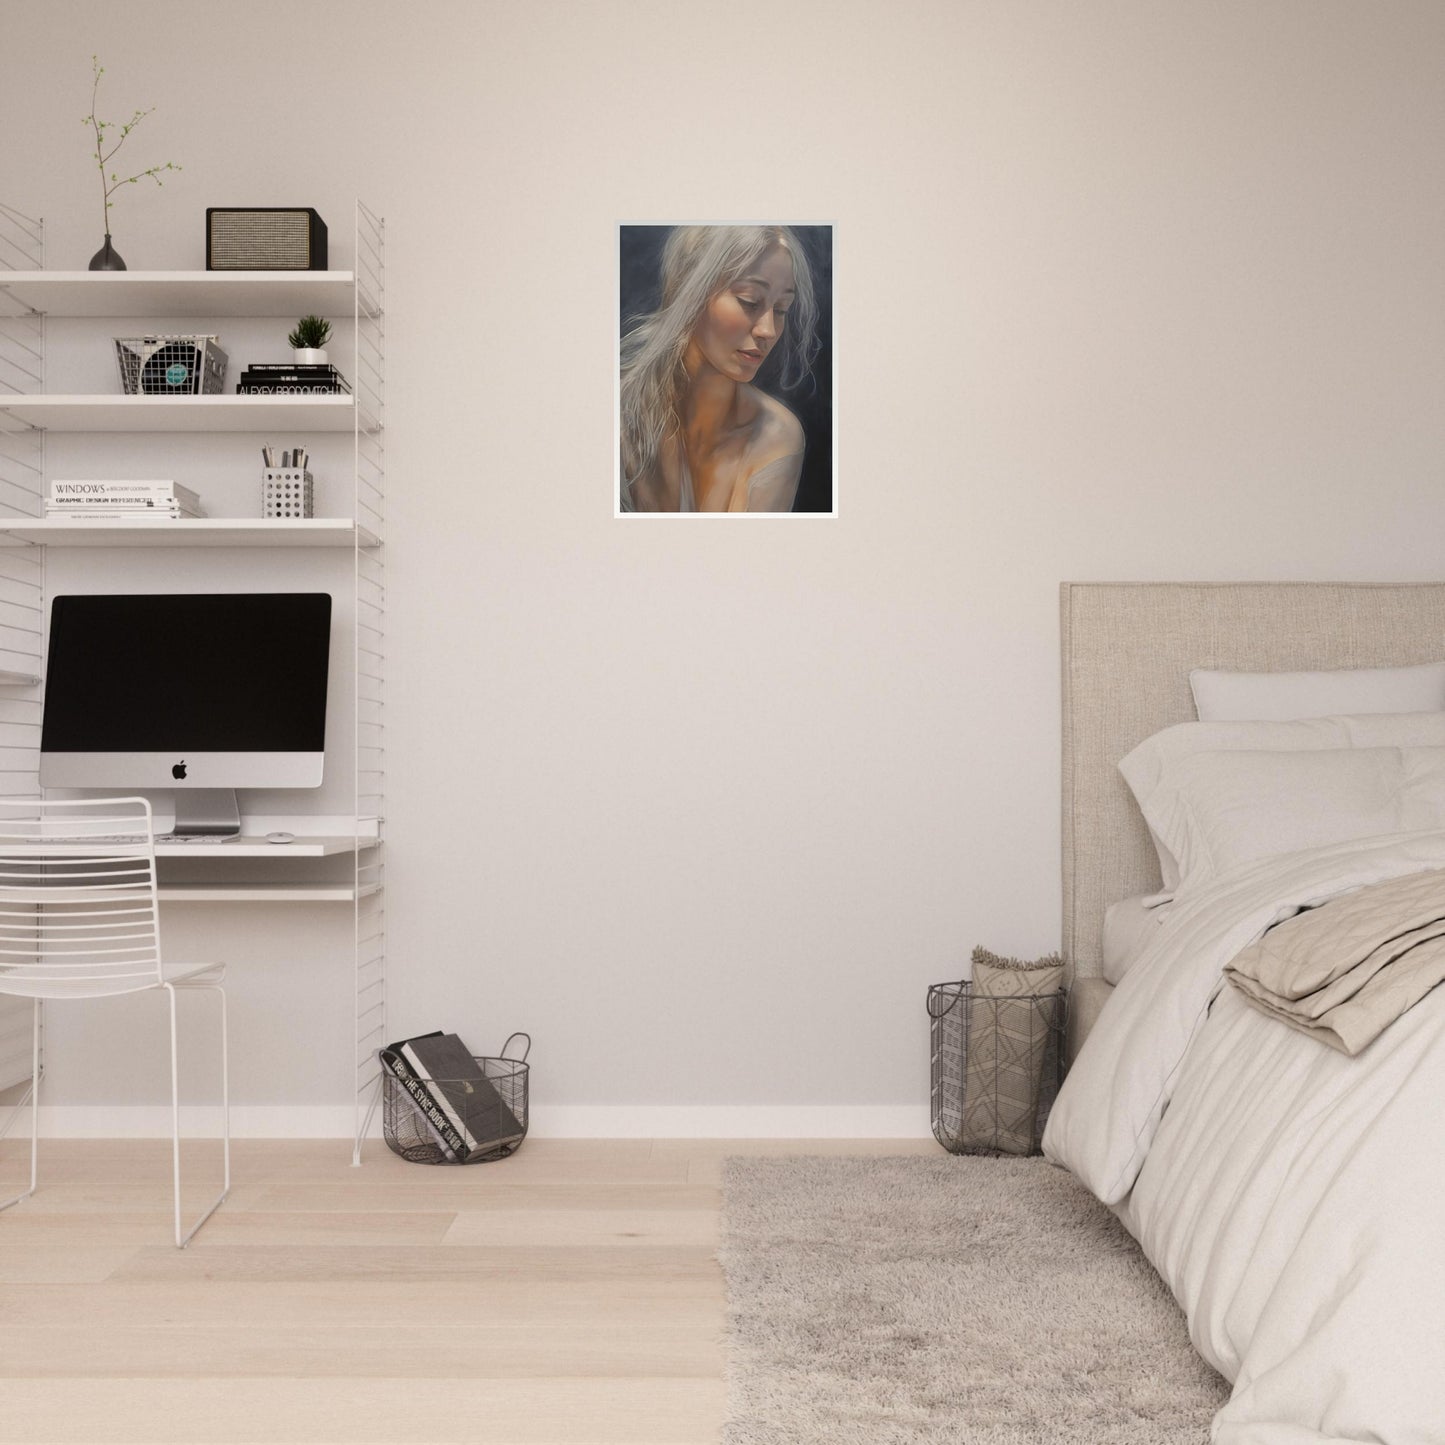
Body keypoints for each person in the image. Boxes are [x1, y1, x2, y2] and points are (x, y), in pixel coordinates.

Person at [619, 225, 819, 513]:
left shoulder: (777, 435)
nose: (768, 330)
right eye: (749, 301)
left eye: (781, 309)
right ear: (690, 292)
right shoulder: (619, 415)